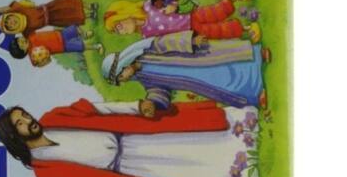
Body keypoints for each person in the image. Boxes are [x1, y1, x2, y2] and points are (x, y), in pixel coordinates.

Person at [0, 98, 258, 177]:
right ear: (14, 136)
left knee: (185, 142)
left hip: (132, 135)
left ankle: (242, 135)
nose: (28, 120)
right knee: (183, 173)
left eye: (24, 115)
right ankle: (240, 176)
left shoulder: (54, 117)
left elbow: (100, 109)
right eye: (20, 123)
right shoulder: (46, 171)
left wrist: (136, 106)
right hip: (130, 169)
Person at [102, 32, 268, 109]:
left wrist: (191, 41)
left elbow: (169, 41)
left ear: (123, 65)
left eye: (120, 76)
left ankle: (257, 55)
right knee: (222, 84)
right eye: (120, 80)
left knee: (225, 57)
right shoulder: (144, 79)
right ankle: (255, 92)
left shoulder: (148, 50)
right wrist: (153, 102)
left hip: (195, 58)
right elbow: (158, 90)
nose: (124, 80)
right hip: (195, 81)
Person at [104, 0, 243, 39]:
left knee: (215, 11)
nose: (121, 31)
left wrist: (172, 5)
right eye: (117, 31)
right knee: (217, 31)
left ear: (125, 14)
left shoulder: (148, 5)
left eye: (118, 26)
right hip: (191, 31)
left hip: (190, 16)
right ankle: (244, 28)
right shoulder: (146, 34)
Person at [0, 0, 98, 36]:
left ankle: (89, 6)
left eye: (9, 20)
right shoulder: (26, 31)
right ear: (12, 30)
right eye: (10, 25)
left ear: (11, 15)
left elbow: (8, 8)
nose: (11, 22)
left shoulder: (19, 10)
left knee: (69, 3)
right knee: (70, 17)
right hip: (53, 20)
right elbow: (31, 39)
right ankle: (90, 15)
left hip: (50, 7)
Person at [8, 26, 103, 67]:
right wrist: (44, 60)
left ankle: (84, 35)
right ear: (24, 52)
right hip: (62, 46)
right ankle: (97, 46)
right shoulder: (33, 55)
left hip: (60, 34)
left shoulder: (29, 35)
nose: (23, 41)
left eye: (20, 40)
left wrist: (56, 29)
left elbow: (27, 27)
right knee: (81, 46)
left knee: (75, 29)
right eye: (22, 45)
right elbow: (41, 63)